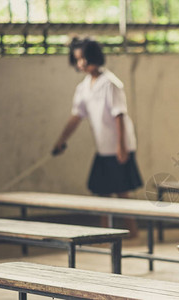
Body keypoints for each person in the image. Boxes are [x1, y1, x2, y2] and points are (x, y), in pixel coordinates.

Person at [52, 38, 143, 234]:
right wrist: (61, 141)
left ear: (94, 57)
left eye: (84, 58)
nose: (81, 63)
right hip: (103, 147)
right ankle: (105, 232)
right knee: (101, 190)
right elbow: (76, 117)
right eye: (77, 60)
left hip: (118, 145)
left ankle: (132, 231)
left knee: (121, 190)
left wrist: (121, 147)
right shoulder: (83, 88)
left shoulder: (110, 83)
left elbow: (119, 115)